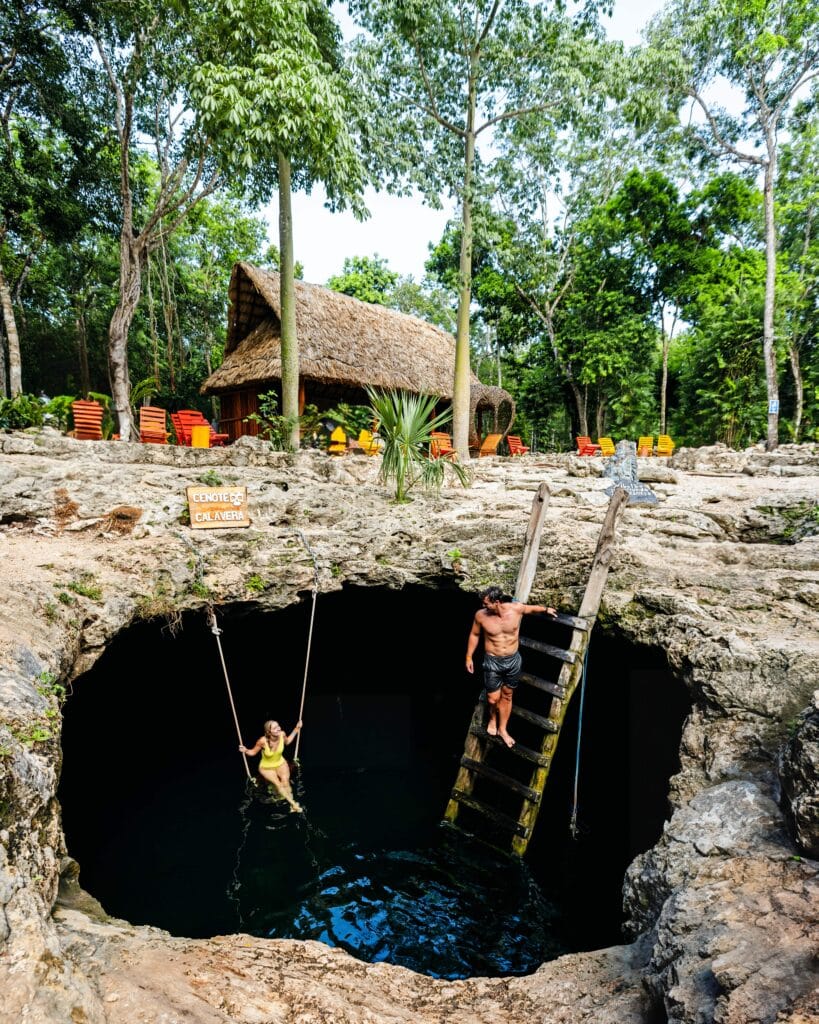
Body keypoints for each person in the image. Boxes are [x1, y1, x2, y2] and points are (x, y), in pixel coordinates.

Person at [465, 586, 556, 748]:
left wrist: (546, 609)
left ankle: (503, 729)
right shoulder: (481, 616)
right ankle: (492, 718)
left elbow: (530, 609)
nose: (483, 606)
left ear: (497, 602)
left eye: (487, 603)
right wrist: (468, 656)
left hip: (513, 661)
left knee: (507, 695)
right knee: (493, 699)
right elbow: (475, 634)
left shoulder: (515, 609)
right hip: (493, 661)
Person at [239, 720, 303, 812]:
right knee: (278, 783)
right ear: (269, 732)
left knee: (285, 781)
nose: (278, 728)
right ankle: (293, 804)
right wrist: (245, 750)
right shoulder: (262, 741)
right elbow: (252, 753)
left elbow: (287, 741)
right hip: (266, 767)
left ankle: (289, 802)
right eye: (275, 728)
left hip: (280, 763)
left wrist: (297, 728)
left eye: (278, 726)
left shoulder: (282, 734)